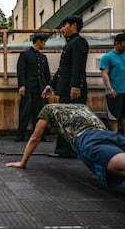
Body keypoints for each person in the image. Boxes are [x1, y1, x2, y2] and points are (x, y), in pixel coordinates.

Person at [6, 103, 125, 187]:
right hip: (110, 135)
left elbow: (35, 138)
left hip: (88, 138)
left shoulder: (48, 109)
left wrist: (22, 163)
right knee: (124, 172)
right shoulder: (81, 106)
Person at [41, 15, 89, 158]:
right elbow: (63, 69)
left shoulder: (79, 42)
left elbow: (78, 67)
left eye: (64, 26)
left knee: (72, 121)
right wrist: (51, 85)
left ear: (74, 25)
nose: (62, 29)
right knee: (64, 119)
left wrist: (76, 86)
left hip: (73, 90)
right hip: (66, 89)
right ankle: (64, 150)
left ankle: (69, 151)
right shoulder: (70, 43)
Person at [16, 33, 51, 142]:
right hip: (29, 88)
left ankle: (41, 135)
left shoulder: (43, 57)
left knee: (41, 113)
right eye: (44, 41)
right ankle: (20, 135)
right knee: (25, 113)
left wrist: (48, 87)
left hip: (41, 89)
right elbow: (21, 71)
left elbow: (46, 74)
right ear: (39, 41)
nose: (45, 44)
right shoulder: (25, 54)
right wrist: (22, 85)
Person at [99, 33, 125, 139]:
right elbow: (104, 73)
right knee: (113, 115)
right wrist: (109, 88)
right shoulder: (107, 57)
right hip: (114, 90)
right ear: (117, 43)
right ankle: (115, 135)